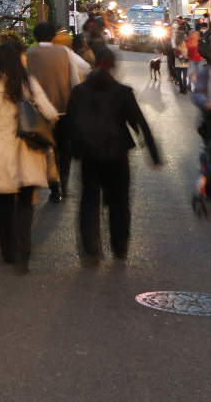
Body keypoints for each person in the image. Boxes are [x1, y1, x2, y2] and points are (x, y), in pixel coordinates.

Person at [66, 46, 161, 261]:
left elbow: (70, 123)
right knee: (119, 201)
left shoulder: (80, 91)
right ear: (114, 67)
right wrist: (153, 154)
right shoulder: (122, 92)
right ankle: (119, 247)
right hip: (117, 154)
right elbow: (140, 122)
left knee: (89, 200)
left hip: (89, 155)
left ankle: (91, 248)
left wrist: (72, 150)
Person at [0, 41, 59, 272]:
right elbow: (49, 112)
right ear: (15, 59)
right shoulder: (27, 83)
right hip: (25, 147)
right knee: (24, 199)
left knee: (3, 202)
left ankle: (7, 252)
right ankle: (24, 244)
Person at [26, 21, 76, 202]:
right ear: (53, 36)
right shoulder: (64, 52)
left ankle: (54, 188)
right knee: (64, 147)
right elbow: (77, 74)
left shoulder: (29, 54)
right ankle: (64, 179)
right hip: (64, 106)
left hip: (40, 111)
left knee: (48, 148)